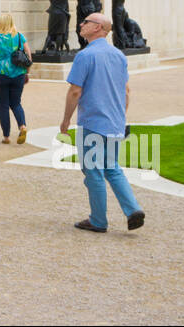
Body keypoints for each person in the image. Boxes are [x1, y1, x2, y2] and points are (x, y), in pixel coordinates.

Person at [59, 13, 145, 234]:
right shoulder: (119, 56)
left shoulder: (85, 56)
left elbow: (75, 91)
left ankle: (98, 220)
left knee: (94, 172)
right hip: (114, 123)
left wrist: (66, 120)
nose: (81, 24)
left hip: (93, 122)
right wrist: (120, 117)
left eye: (86, 22)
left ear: (98, 28)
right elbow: (126, 91)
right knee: (112, 168)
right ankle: (133, 209)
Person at [0, 13, 30, 144]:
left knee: (3, 105)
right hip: (18, 74)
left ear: (3, 22)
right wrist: (26, 73)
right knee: (16, 103)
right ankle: (22, 126)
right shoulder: (20, 37)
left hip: (0, 73)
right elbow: (28, 56)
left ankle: (6, 136)